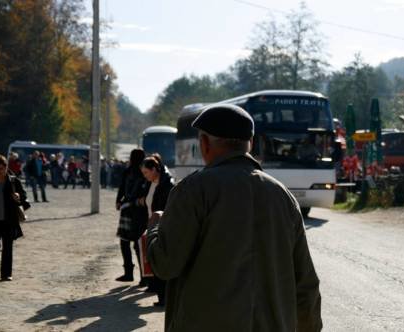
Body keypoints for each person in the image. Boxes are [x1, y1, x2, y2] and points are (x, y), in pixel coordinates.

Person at [147, 104, 322, 331]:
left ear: (205, 144)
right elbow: (306, 285)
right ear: (250, 143)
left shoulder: (192, 190)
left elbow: (165, 264)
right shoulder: (282, 196)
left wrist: (155, 228)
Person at [140, 155, 174, 306]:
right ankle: (159, 292)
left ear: (154, 170)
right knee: (152, 258)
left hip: (161, 225)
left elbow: (167, 207)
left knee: (158, 259)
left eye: (146, 172)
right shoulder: (152, 183)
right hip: (151, 224)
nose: (145, 176)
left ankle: (163, 297)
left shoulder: (167, 184)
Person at [0, 154, 30, 281]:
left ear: (6, 168)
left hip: (8, 220)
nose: (0, 171)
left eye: (2, 168)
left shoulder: (13, 181)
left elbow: (24, 197)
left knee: (8, 248)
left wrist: (18, 196)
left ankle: (6, 274)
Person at [115, 149, 148, 283]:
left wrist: (119, 201)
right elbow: (123, 187)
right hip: (134, 210)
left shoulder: (134, 171)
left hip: (132, 210)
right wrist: (119, 200)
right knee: (133, 243)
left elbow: (122, 188)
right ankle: (138, 275)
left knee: (130, 242)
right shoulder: (136, 171)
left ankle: (134, 274)